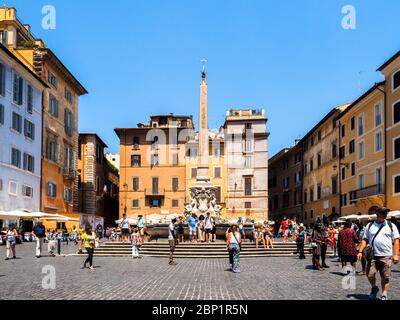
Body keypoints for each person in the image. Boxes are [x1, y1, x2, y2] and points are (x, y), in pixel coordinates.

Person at [357, 207, 399, 300]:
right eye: (382, 212)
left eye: (386, 212)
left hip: (386, 256)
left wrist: (396, 254)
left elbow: (396, 240)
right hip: (372, 256)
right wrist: (360, 251)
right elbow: (365, 239)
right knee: (370, 275)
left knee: (385, 277)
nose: (385, 214)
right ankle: (374, 288)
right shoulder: (370, 225)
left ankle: (384, 294)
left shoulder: (391, 225)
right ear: (377, 213)